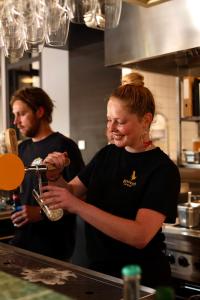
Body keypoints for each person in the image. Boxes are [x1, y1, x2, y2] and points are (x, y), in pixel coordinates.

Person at [41, 72, 180, 288]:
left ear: (146, 120)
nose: (111, 128)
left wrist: (78, 206)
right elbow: (70, 192)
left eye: (120, 122)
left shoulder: (162, 169)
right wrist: (55, 176)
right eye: (108, 120)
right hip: (100, 273)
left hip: (140, 281)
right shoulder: (107, 155)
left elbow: (140, 235)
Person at [9, 87, 84, 260]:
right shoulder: (22, 148)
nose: (16, 121)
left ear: (40, 111)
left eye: (21, 114)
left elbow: (81, 199)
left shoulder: (65, 146)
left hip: (53, 248)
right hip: (22, 242)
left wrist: (40, 213)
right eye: (14, 115)